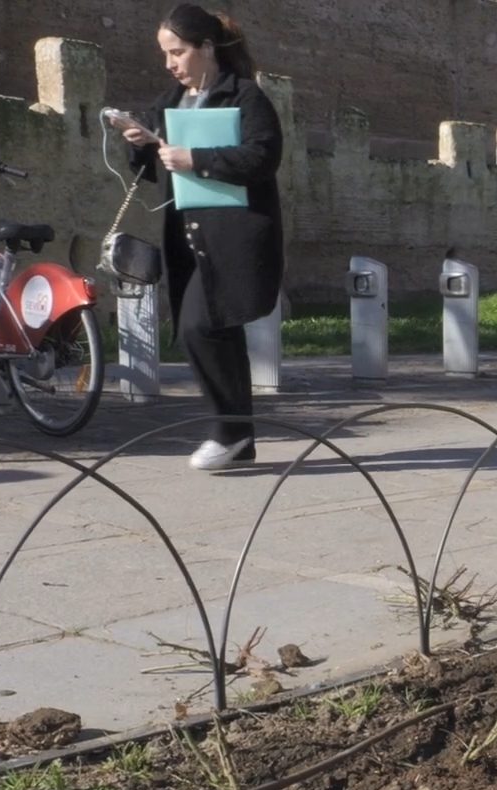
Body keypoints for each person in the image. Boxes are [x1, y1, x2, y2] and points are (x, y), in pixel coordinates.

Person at [111, 5, 284, 471]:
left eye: (178, 52)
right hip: (188, 237)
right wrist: (139, 144)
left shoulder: (245, 97)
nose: (171, 63)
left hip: (236, 236)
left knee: (199, 327)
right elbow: (158, 173)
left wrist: (198, 159)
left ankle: (227, 432)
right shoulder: (170, 102)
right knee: (218, 332)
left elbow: (263, 158)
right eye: (165, 54)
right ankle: (240, 439)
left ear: (207, 48)